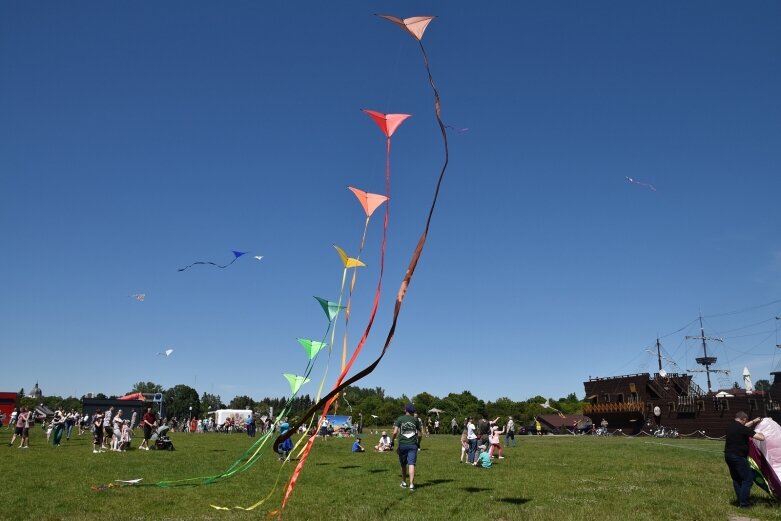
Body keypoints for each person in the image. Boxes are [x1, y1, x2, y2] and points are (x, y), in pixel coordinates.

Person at [724, 411, 765, 508]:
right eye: (745, 421)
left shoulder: (731, 426)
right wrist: (764, 432)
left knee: (737, 479)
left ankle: (740, 501)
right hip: (738, 457)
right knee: (748, 480)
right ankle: (744, 504)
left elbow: (745, 426)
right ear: (743, 419)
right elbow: (761, 438)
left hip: (728, 456)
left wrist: (755, 421)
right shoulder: (742, 429)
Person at [393, 404, 420, 491]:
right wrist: (418, 443)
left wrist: (392, 441)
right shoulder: (416, 420)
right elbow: (419, 434)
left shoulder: (400, 419)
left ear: (406, 410)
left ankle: (404, 482)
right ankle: (411, 484)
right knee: (411, 464)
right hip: (413, 444)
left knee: (403, 464)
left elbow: (395, 432)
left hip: (402, 444)